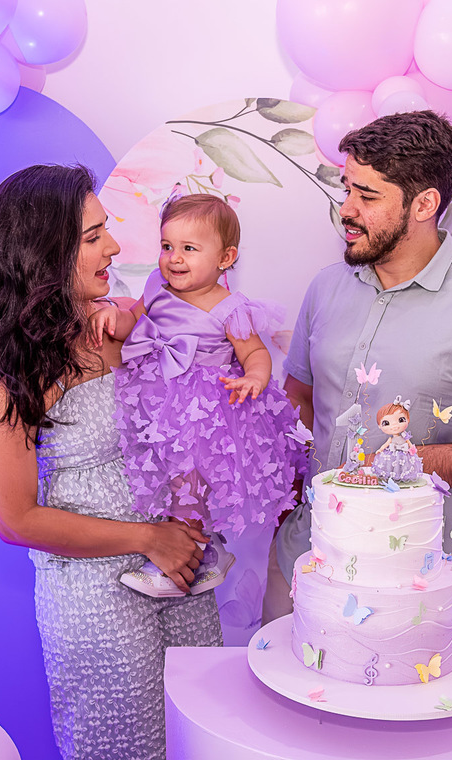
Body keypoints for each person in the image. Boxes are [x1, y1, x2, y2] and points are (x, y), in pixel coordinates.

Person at [0, 166, 222, 760]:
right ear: (46, 252)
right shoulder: (17, 378)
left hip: (182, 572)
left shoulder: (123, 325)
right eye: (94, 236)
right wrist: (150, 537)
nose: (115, 247)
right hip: (98, 600)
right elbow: (16, 519)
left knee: (201, 737)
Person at [265, 110, 452, 622]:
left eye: (368, 196)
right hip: (303, 565)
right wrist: (284, 492)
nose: (347, 210)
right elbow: (302, 399)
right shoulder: (326, 287)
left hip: (418, 590)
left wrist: (401, 464)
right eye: (347, 188)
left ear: (425, 204)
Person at [90, 194, 305, 598]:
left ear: (225, 258)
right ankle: (209, 552)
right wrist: (111, 317)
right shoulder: (156, 287)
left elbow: (255, 353)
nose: (174, 258)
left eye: (189, 249)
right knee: (163, 479)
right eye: (167, 246)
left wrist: (254, 379)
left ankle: (178, 563)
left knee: (190, 484)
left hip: (204, 412)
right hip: (157, 401)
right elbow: (132, 321)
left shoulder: (228, 308)